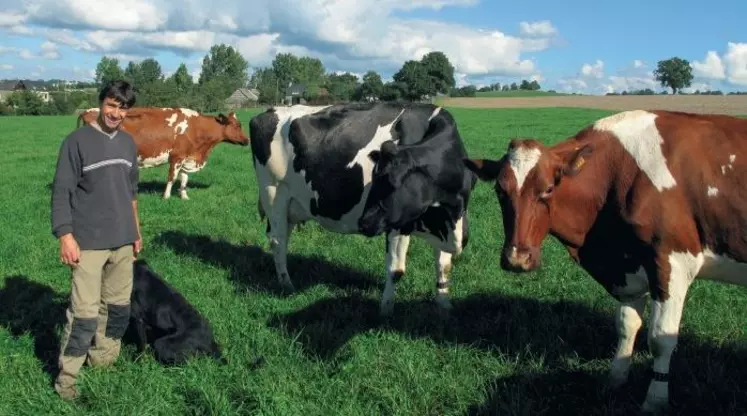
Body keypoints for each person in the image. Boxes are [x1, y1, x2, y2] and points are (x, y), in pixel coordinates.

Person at [50, 80, 142, 400]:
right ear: (101, 103)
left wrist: (136, 232)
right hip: (87, 241)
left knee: (117, 308)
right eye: (112, 105)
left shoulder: (129, 144)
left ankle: (103, 362)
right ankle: (67, 379)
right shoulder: (76, 142)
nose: (116, 113)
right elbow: (62, 192)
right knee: (84, 314)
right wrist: (65, 236)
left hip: (122, 240)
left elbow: (131, 194)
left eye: (123, 107)